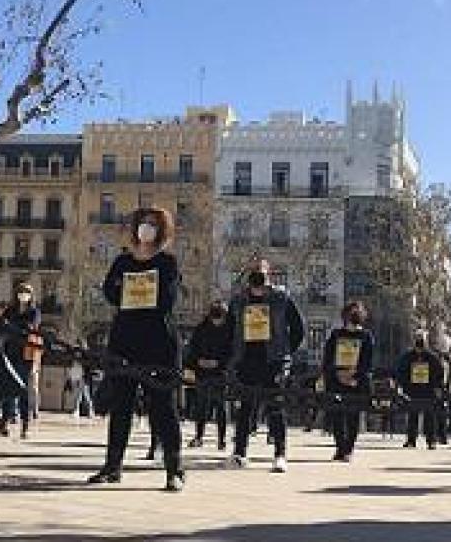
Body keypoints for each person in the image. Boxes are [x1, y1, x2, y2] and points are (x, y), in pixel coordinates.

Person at [87, 207, 185, 492]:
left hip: (158, 341)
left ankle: (174, 470)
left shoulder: (168, 262)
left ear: (161, 230)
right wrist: (127, 292)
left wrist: (139, 292)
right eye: (142, 223)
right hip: (125, 339)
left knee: (164, 408)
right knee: (121, 406)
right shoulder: (121, 261)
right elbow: (109, 292)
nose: (146, 228)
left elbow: (167, 299)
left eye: (153, 224)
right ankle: (112, 466)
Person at [227, 265, 304, 473]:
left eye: (261, 274)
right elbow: (230, 329)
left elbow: (298, 328)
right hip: (247, 360)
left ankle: (280, 454)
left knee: (275, 408)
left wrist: (285, 352)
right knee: (245, 408)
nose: (258, 281)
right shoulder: (238, 301)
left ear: (268, 276)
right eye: (255, 275)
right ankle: (240, 452)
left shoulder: (281, 299)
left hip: (273, 361)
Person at [323, 301, 375, 462]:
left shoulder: (366, 336)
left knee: (353, 417)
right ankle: (340, 448)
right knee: (337, 415)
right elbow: (328, 358)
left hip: (356, 382)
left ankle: (349, 449)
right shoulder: (336, 334)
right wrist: (337, 374)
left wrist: (355, 376)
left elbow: (367, 362)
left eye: (356, 314)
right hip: (336, 381)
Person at [0, 284, 42, 439]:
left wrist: (11, 327)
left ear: (31, 295)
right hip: (9, 353)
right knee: (8, 388)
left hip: (25, 355)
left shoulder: (34, 312)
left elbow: (29, 330)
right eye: (21, 292)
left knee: (22, 390)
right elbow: (3, 326)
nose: (23, 295)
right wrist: (10, 327)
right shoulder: (10, 310)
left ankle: (25, 426)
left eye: (27, 292)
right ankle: (3, 425)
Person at [185, 300, 233, 450]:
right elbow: (193, 348)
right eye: (214, 319)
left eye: (219, 319)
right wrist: (198, 361)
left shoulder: (229, 330)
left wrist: (219, 363)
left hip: (220, 372)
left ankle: (222, 439)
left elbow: (232, 352)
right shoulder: (201, 329)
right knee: (201, 406)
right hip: (202, 372)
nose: (217, 322)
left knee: (221, 406)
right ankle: (199, 436)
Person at [396, 332, 445, 450]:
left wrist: (437, 387)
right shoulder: (408, 356)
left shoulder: (432, 357)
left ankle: (431, 440)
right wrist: (403, 386)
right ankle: (411, 440)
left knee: (429, 416)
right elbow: (401, 372)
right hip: (413, 390)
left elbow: (439, 373)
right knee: (413, 415)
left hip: (428, 390)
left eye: (421, 340)